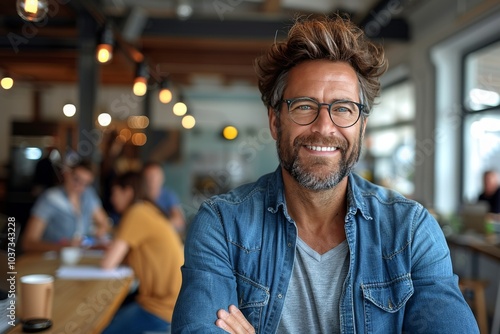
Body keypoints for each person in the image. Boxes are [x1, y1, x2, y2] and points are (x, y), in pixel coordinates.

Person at [171, 15, 479, 333]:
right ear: (275, 121)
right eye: (304, 106)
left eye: (343, 108)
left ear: (362, 125)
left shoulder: (411, 231)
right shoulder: (221, 225)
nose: (323, 127)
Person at [101, 171, 184, 334]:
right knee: (111, 314)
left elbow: (107, 264)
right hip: (174, 303)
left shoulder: (136, 212)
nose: (112, 199)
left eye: (114, 193)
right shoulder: (149, 209)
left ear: (128, 192)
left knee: (101, 328)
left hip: (161, 308)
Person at [22, 160, 110, 252]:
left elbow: (103, 221)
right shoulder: (50, 199)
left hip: (80, 254)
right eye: (76, 179)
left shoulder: (88, 195)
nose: (79, 186)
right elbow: (28, 242)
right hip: (54, 257)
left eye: (85, 183)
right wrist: (62, 248)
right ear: (67, 174)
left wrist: (99, 232)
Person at [141, 162, 186, 234]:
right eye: (149, 176)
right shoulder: (139, 196)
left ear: (162, 177)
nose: (153, 179)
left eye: (156, 176)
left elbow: (179, 221)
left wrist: (158, 227)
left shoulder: (168, 195)